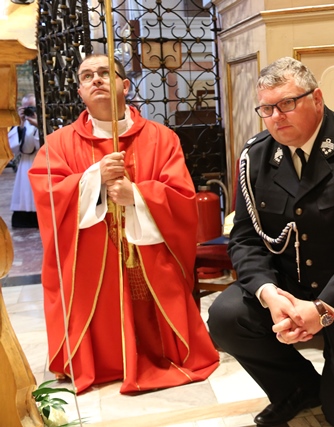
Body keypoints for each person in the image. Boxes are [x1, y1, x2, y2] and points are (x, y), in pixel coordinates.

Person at [207, 57, 334, 427]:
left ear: (317, 99)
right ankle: (298, 389)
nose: (277, 116)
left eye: (287, 103)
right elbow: (245, 238)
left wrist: (324, 307)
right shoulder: (256, 155)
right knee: (227, 317)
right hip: (288, 287)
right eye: (267, 109)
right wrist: (269, 294)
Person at [28, 54, 219, 394]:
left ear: (125, 85)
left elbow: (182, 197)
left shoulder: (161, 138)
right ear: (80, 91)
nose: (96, 79)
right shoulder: (59, 144)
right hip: (91, 260)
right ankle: (104, 362)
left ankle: (157, 356)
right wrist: (93, 178)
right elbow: (48, 196)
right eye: (87, 76)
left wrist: (138, 196)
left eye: (106, 73)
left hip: (146, 257)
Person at [9, 93, 40, 228]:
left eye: (31, 107)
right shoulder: (19, 125)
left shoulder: (48, 120)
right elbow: (12, 148)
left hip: (42, 163)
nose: (29, 111)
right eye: (25, 108)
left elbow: (50, 143)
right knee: (25, 194)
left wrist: (39, 125)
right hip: (25, 165)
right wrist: (20, 125)